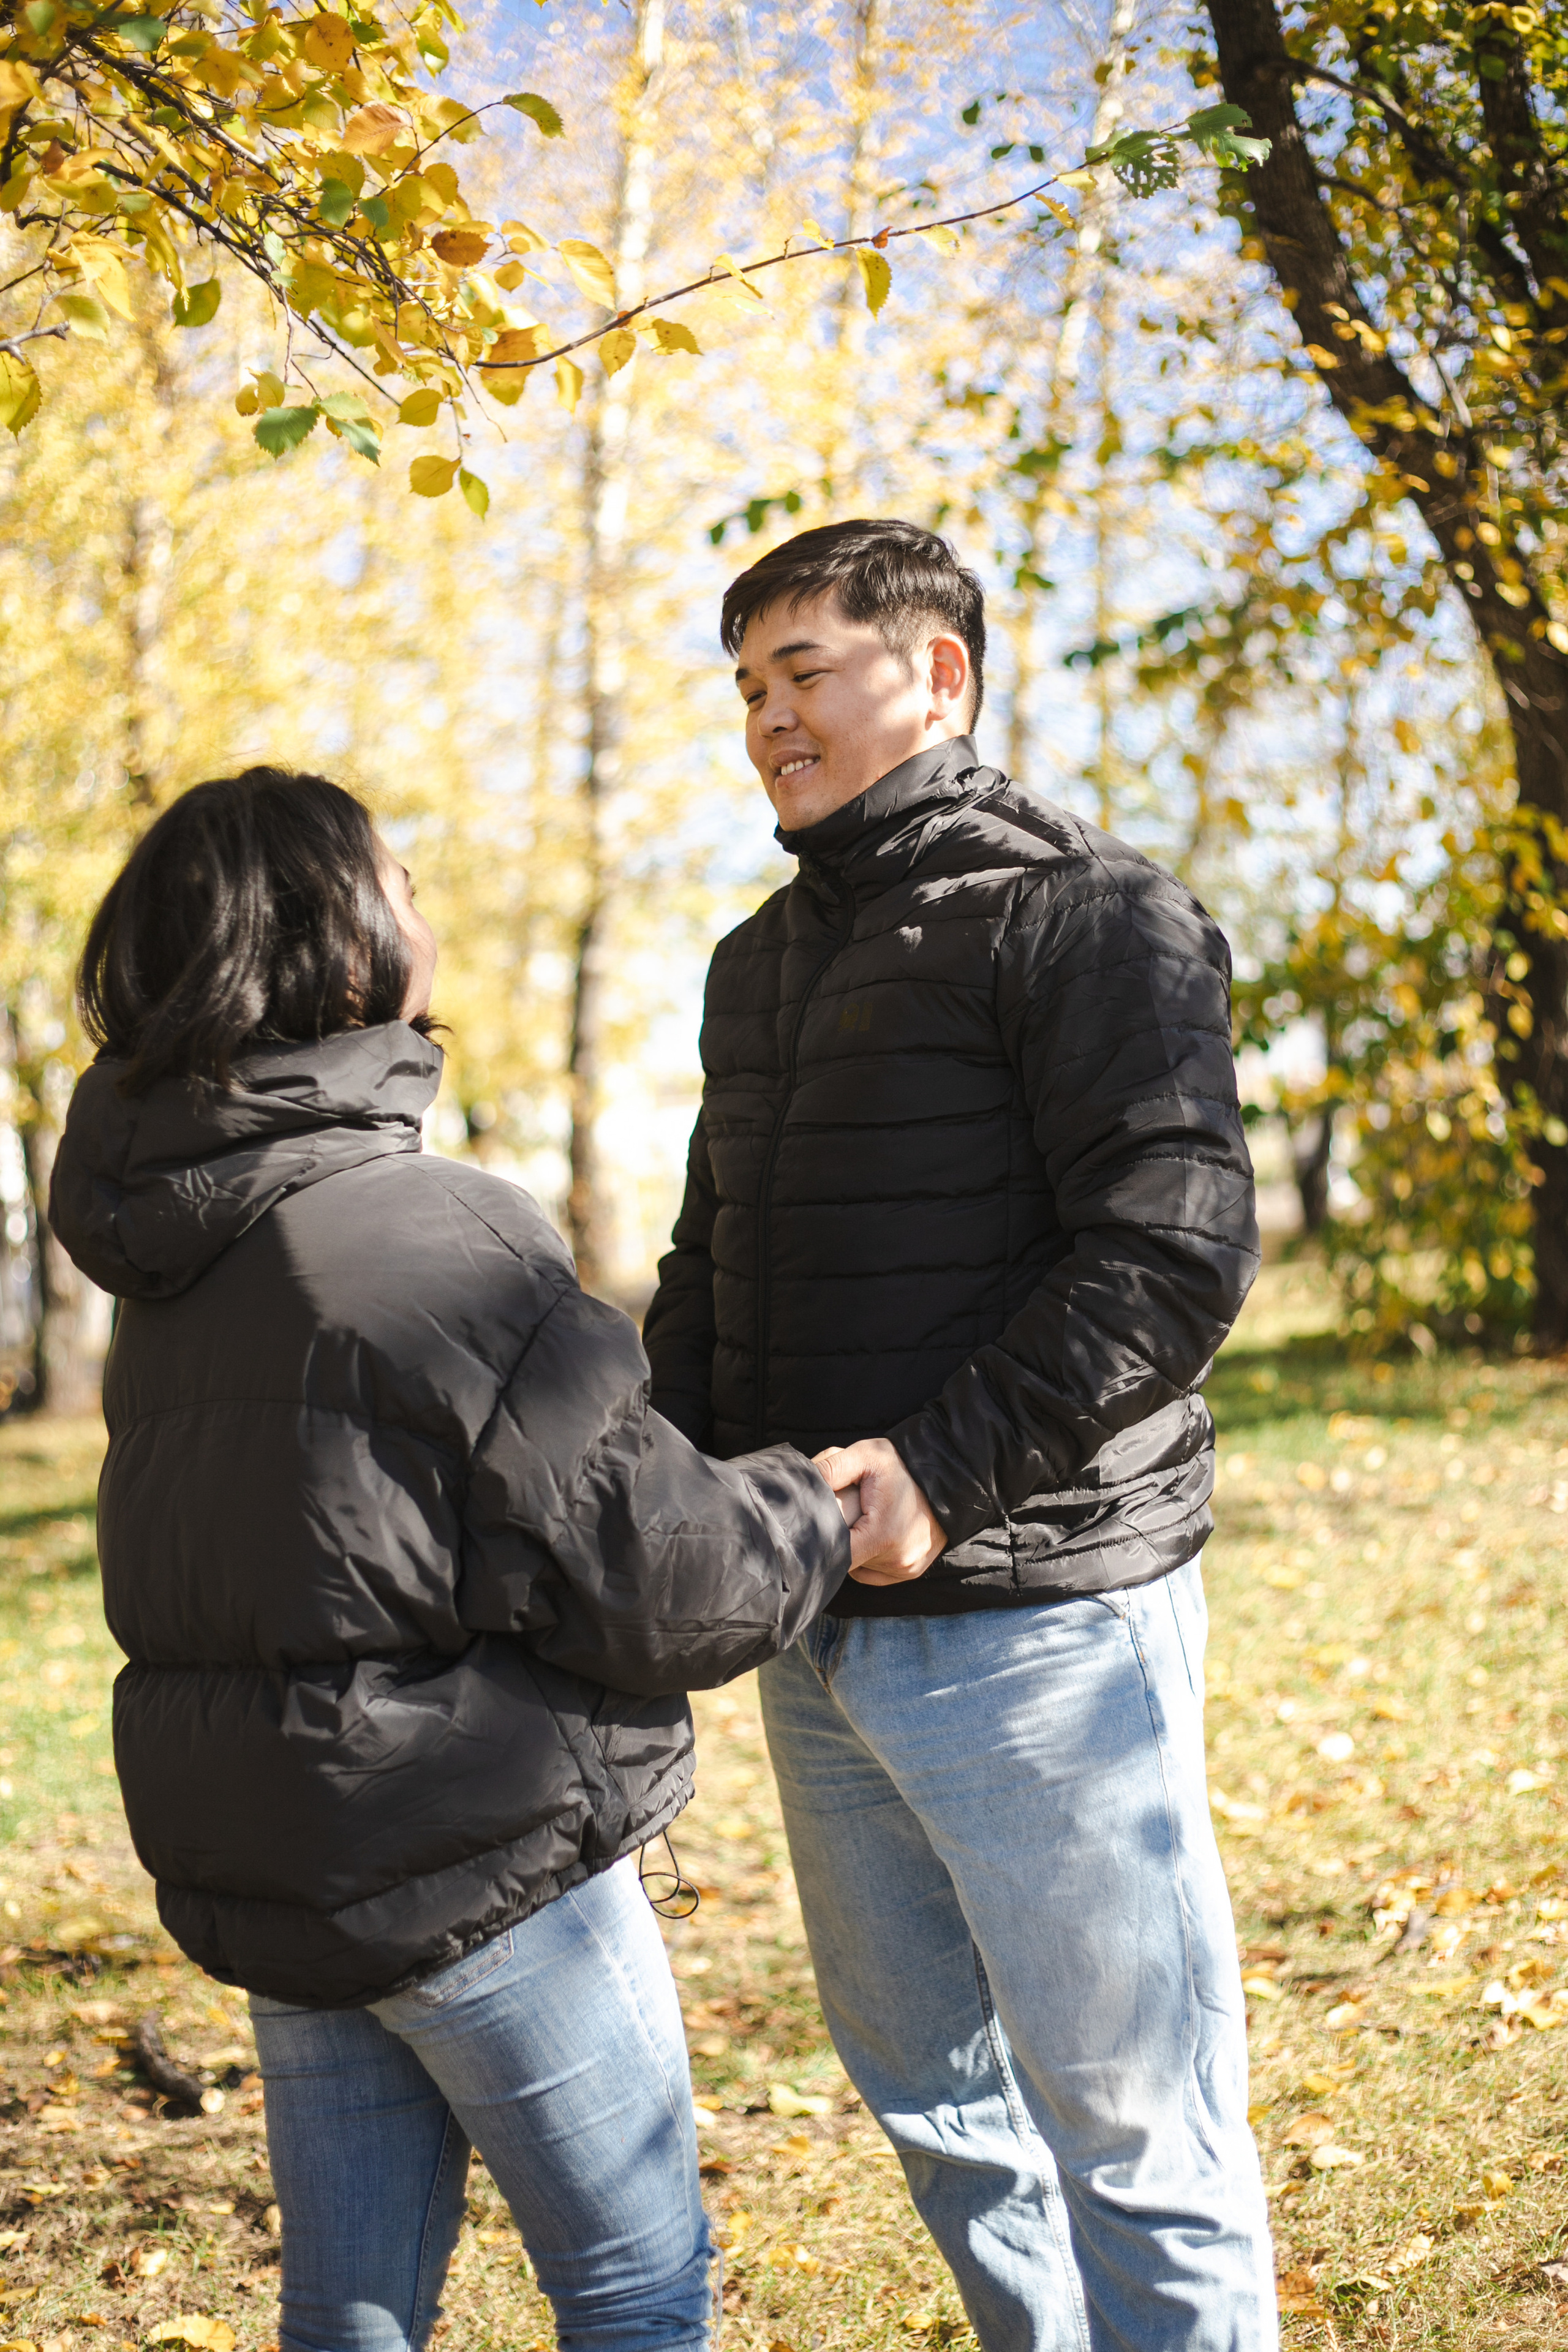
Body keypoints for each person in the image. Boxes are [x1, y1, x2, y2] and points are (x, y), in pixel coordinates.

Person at [48, 768, 851, 2352]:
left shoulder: (169, 1263)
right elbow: (661, 1574)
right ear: (334, 948)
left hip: (285, 1860)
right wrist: (816, 1511)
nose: (421, 909)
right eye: (396, 884)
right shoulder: (432, 1232)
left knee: (348, 2311)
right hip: (477, 1862)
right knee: (633, 2284)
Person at [643, 519, 1275, 2351]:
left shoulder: (1089, 914)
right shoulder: (753, 963)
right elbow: (711, 1268)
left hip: (1040, 1624)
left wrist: (942, 1472)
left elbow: (1173, 1247)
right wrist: (667, 1504)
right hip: (814, 1630)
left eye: (807, 672)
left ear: (938, 677)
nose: (769, 718)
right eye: (749, 686)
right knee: (938, 2107)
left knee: (1134, 2122)